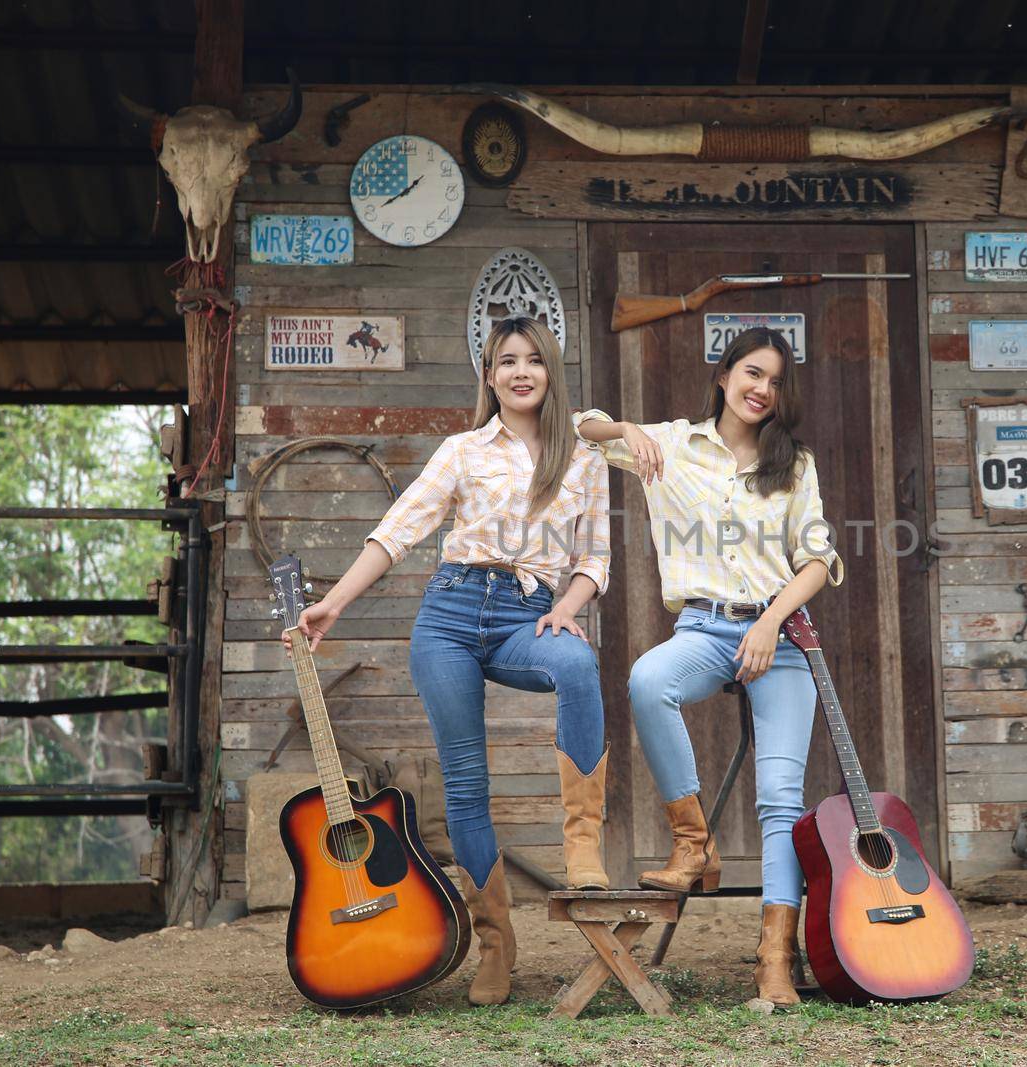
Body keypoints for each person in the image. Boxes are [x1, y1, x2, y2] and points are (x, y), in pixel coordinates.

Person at [282, 316, 610, 1006]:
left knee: (578, 666)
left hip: (529, 616)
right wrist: (332, 603)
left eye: (533, 360)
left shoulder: (582, 456)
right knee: (465, 781)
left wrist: (570, 605)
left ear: (550, 371)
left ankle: (583, 847)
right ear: (488, 376)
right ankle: (496, 943)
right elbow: (399, 529)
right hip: (451, 618)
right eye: (505, 361)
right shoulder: (463, 450)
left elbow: (594, 558)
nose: (520, 371)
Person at [573, 327, 843, 1006]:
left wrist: (770, 621)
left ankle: (774, 963)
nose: (763, 389)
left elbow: (816, 559)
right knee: (648, 679)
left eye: (777, 381)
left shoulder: (794, 462)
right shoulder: (672, 443)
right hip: (702, 626)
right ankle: (694, 842)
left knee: (781, 798)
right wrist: (626, 427)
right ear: (723, 376)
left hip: (780, 635)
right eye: (752, 373)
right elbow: (582, 429)